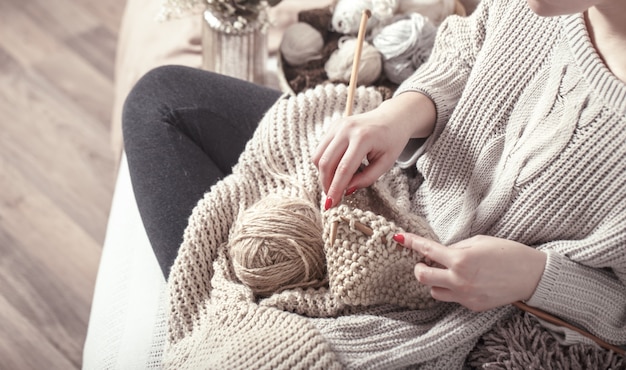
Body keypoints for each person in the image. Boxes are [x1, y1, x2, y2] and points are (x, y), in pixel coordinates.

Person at [123, 0, 626, 367]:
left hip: (452, 295)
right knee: (161, 99)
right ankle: (232, 306)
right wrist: (400, 115)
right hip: (396, 183)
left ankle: (241, 319)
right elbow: (468, 48)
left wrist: (534, 277)